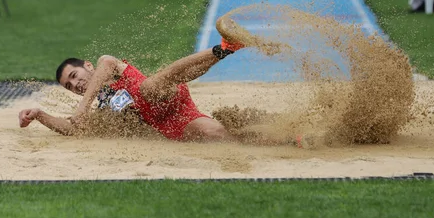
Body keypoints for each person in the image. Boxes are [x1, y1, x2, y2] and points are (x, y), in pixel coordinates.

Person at [18, 17, 286, 143]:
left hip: (164, 93)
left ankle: (224, 48)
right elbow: (72, 128)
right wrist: (40, 115)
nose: (75, 84)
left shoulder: (105, 70)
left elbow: (108, 60)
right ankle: (286, 137)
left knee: (149, 86)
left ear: (86, 66)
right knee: (218, 135)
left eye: (74, 76)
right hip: (172, 121)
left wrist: (81, 108)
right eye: (69, 85)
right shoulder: (98, 108)